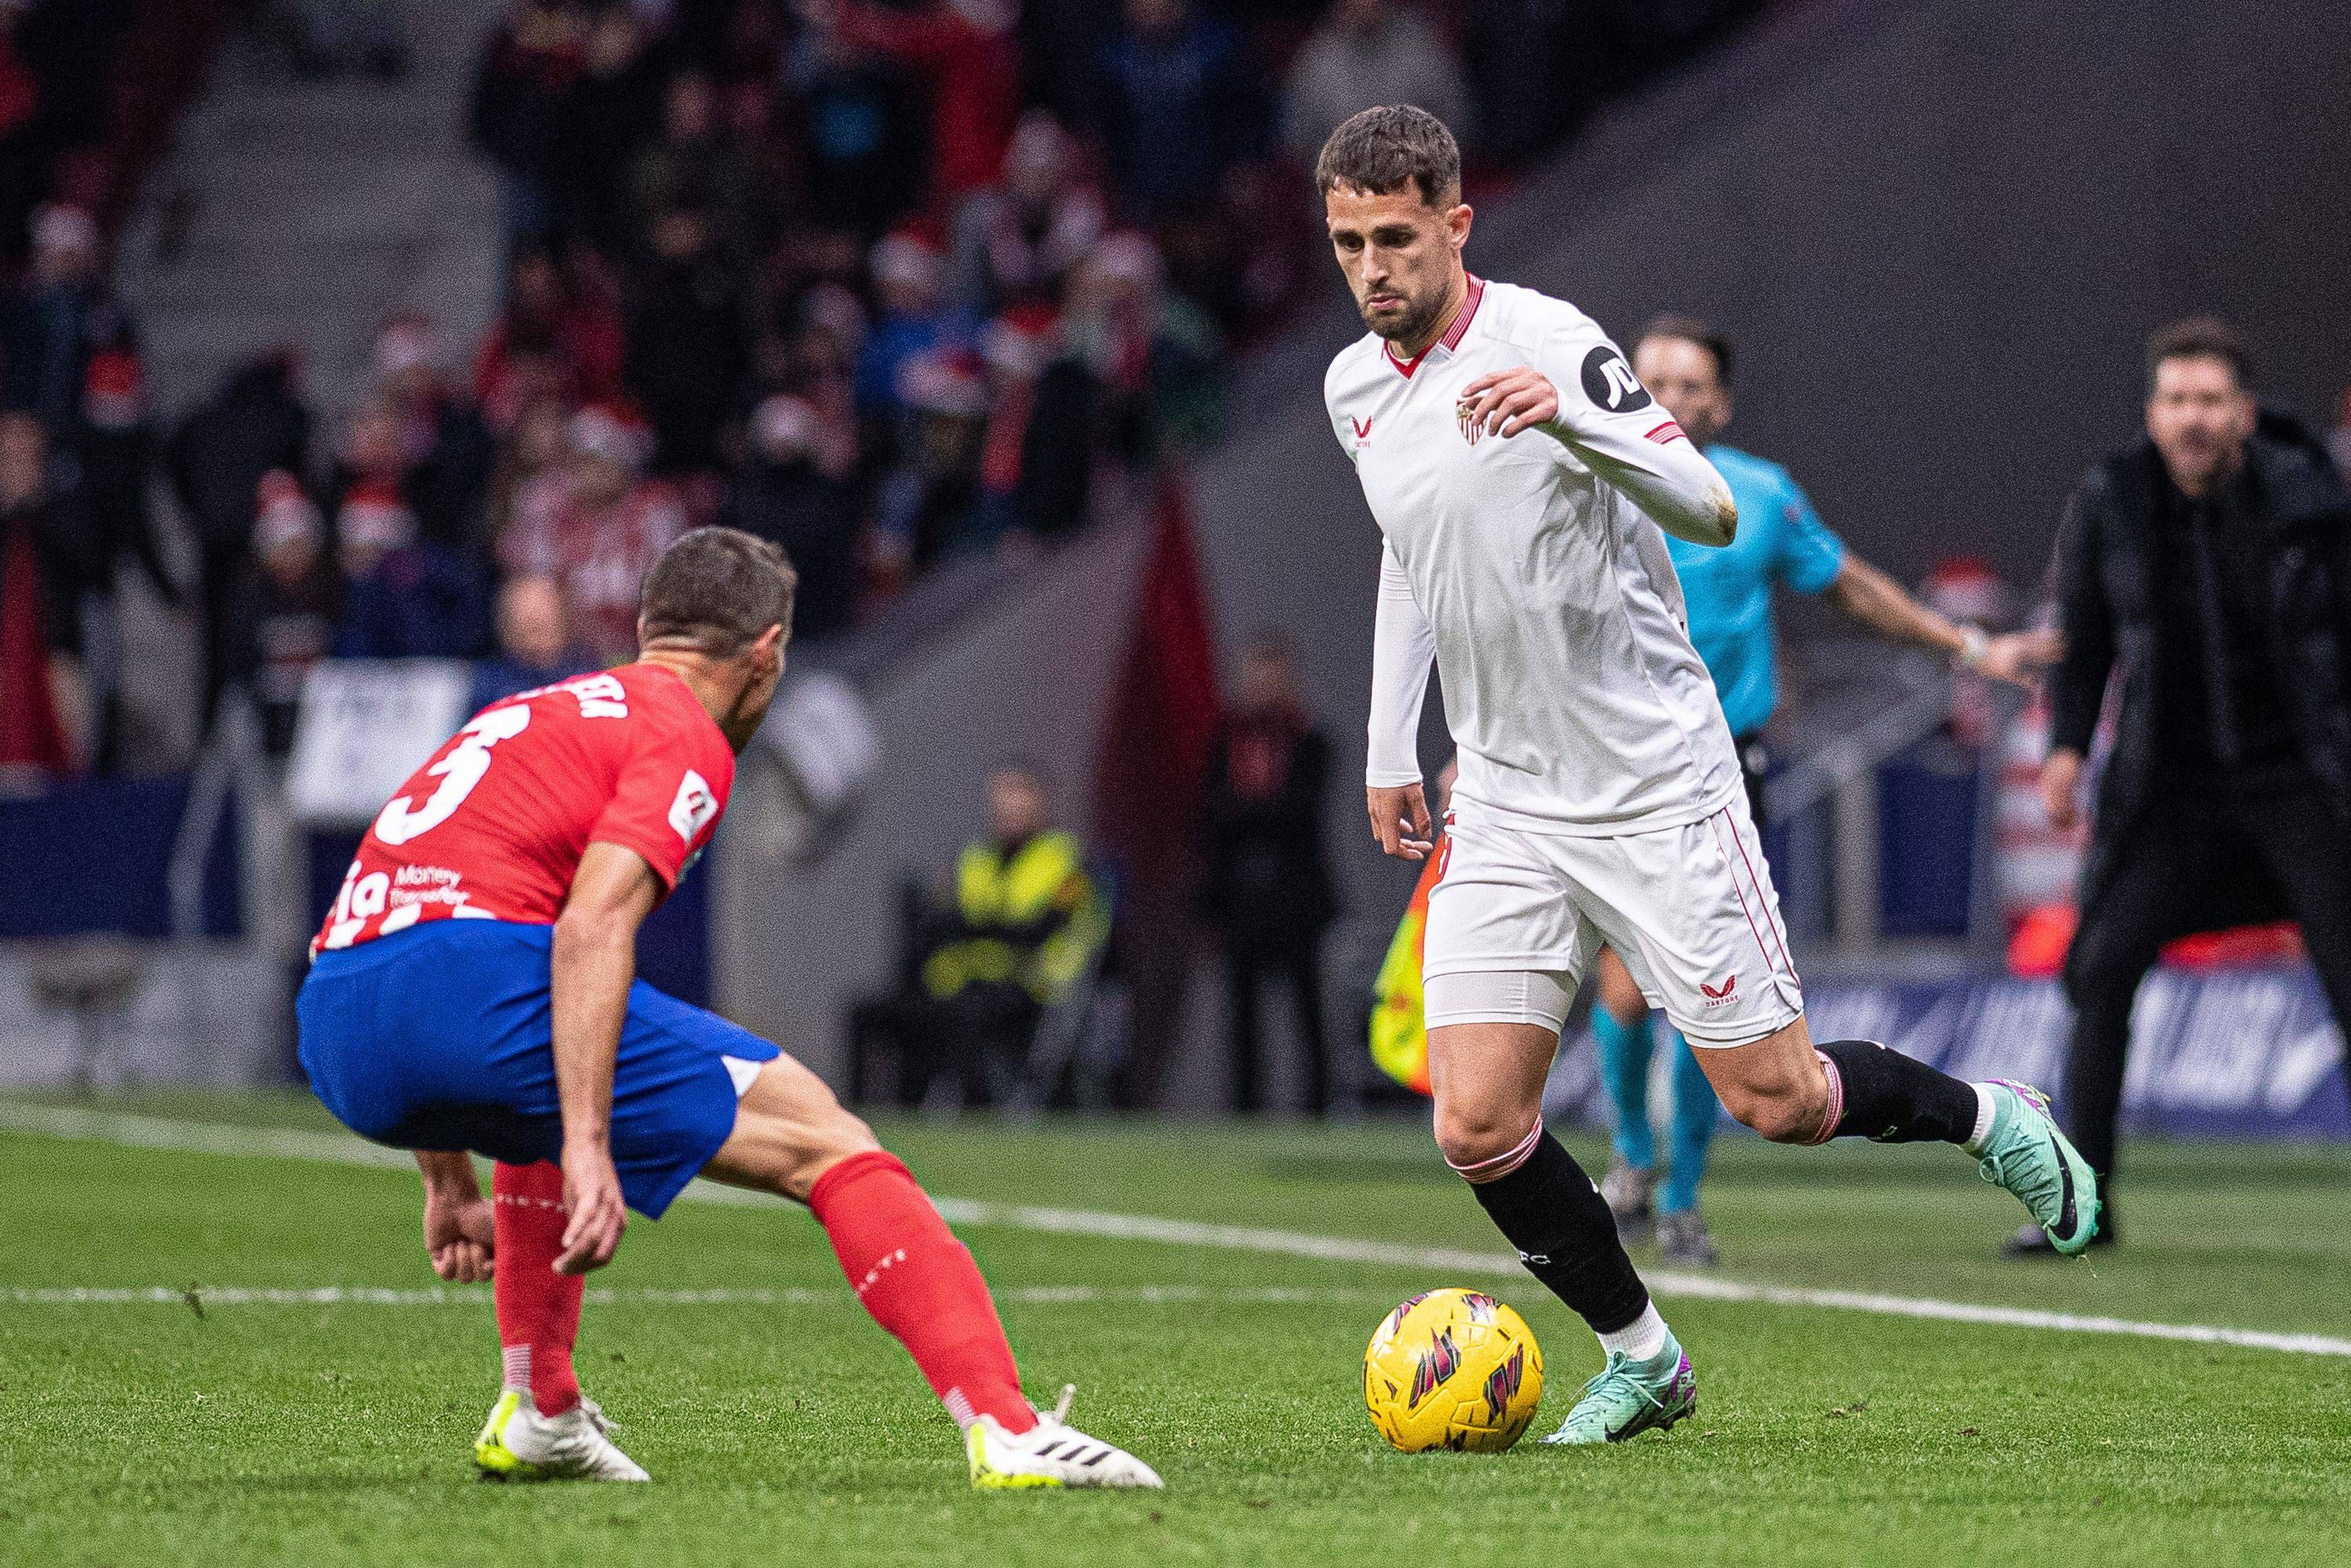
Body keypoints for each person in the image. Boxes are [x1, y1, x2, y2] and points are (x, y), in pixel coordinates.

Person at [1316, 106, 2096, 1443]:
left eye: (1398, 237)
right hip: (1504, 793)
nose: (1375, 268)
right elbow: (1410, 550)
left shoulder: (1549, 344)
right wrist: (1395, 742)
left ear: (1456, 224)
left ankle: (1989, 1114)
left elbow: (1710, 510)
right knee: (1477, 1120)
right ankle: (1643, 1357)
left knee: (1778, 1102)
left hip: (1655, 783)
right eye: (1348, 244)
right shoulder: (1354, 388)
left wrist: (1572, 422)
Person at [295, 527, 1158, 1489]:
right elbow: (590, 930)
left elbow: (412, 897)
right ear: (767, 653)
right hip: (466, 986)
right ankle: (1009, 1428)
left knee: (537, 1079)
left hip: (337, 1013)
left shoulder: (536, 708)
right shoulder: (683, 732)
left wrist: (446, 1176)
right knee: (826, 1141)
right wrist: (590, 1144)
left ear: (645, 628)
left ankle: (539, 1408)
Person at [1585, 317, 2060, 1266]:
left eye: (1691, 385)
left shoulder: (1758, 497)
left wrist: (1968, 646)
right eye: (1655, 380)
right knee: (1625, 990)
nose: (1671, 398)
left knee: (1703, 998)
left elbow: (1852, 589)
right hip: (1612, 766)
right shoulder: (1592, 482)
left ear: (1720, 404)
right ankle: (1633, 1164)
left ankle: (1679, 1198)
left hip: (1725, 772)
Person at [2030, 317, 2351, 1255]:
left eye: (2210, 401)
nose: (2193, 419)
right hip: (2169, 798)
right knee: (2098, 970)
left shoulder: (2310, 501)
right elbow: (2082, 642)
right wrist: (2063, 749)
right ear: (2153, 413)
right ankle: (2084, 1209)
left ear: (2244, 414)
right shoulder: (2112, 499)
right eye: (2176, 401)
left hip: (2300, 787)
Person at [1198, 634, 1337, 1114]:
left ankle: (1318, 1106)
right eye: (1253, 673)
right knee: (1241, 1013)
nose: (1260, 684)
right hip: (1240, 898)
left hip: (1297, 899)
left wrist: (1248, 814)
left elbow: (1299, 814)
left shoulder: (1310, 740)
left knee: (1307, 1009)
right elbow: (1210, 813)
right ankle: (1244, 1108)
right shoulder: (1225, 742)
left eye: (1270, 673)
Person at [913, 764, 1106, 1108]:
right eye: (1002, 797)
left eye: (1020, 796)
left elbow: (1044, 928)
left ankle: (986, 1103)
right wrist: (994, 925)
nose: (1009, 807)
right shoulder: (975, 857)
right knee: (934, 1008)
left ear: (1039, 802)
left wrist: (985, 925)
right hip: (972, 980)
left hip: (1035, 984)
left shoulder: (1065, 857)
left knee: (978, 1017)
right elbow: (944, 921)